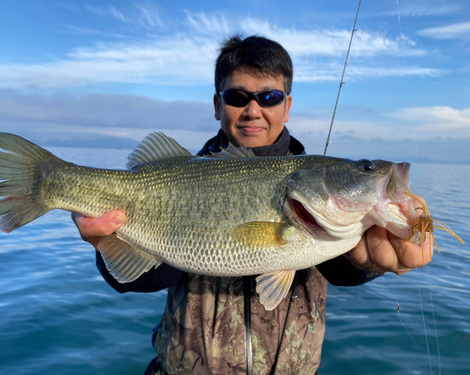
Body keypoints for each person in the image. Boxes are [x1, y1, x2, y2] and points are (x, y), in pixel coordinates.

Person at [73, 35, 433, 375]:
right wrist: (106, 242)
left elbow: (341, 268)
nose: (252, 110)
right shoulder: (181, 174)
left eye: (269, 97)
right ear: (217, 104)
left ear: (287, 105)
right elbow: (142, 277)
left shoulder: (313, 192)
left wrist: (369, 262)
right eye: (237, 96)